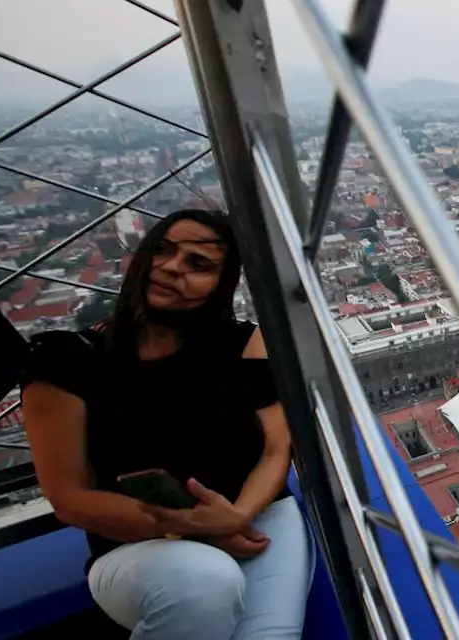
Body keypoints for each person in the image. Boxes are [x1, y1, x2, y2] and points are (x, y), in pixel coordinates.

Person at [21, 209, 310, 640]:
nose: (171, 267)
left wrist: (235, 518)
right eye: (163, 249)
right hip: (138, 544)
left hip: (256, 519)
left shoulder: (243, 345)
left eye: (198, 264)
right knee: (204, 581)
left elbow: (276, 448)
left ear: (222, 282)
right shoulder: (68, 361)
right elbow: (69, 498)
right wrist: (196, 526)